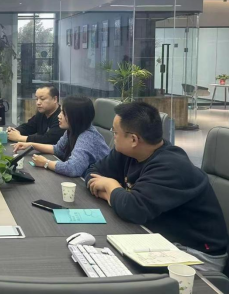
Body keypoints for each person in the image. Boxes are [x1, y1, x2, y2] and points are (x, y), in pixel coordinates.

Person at [86, 102, 228, 272]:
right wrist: (114, 196)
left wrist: (111, 185)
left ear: (133, 139)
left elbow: (132, 209)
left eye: (115, 132)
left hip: (196, 253)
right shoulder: (127, 152)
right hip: (157, 237)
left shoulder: (171, 166)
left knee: (112, 269)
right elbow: (92, 173)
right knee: (100, 255)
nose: (113, 136)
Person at [13, 96, 109, 177]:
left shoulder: (88, 137)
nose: (59, 116)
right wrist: (31, 145)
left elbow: (73, 168)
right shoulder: (72, 130)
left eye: (63, 113)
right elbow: (58, 149)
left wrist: (46, 163)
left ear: (75, 116)